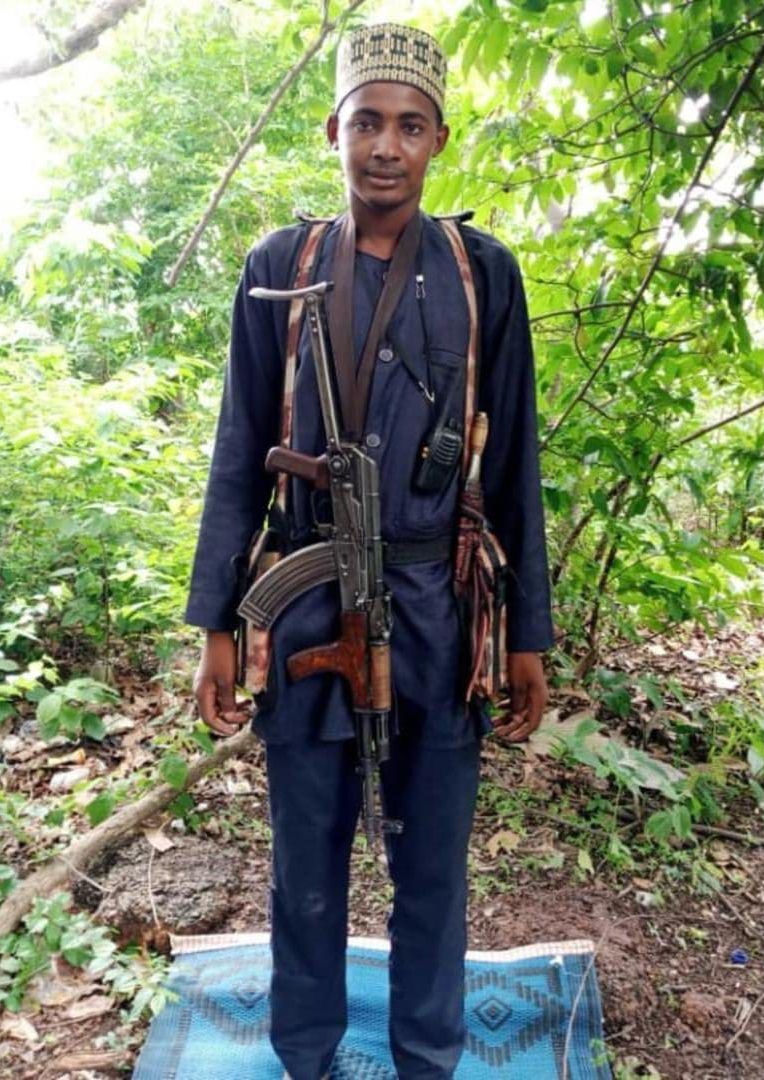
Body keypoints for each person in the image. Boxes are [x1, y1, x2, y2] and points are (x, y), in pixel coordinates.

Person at [184, 22, 554, 1080]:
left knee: (431, 867)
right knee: (304, 864)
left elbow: (513, 460)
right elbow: (237, 449)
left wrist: (525, 637)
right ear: (332, 131)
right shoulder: (279, 266)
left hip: (440, 607)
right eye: (365, 123)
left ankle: (426, 1058)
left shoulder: (482, 274)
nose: (385, 146)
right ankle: (304, 1055)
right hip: (306, 602)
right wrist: (216, 623)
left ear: (438, 139)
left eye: (408, 125)